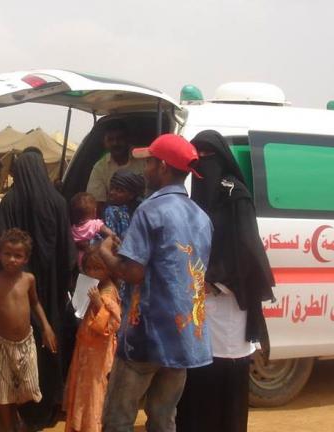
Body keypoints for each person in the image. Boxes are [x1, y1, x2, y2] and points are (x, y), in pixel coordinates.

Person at [99, 134, 213, 432]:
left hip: (148, 335)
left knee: (118, 419)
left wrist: (105, 254)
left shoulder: (150, 210)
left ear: (163, 167)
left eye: (149, 162)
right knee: (164, 418)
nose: (144, 169)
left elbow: (134, 273)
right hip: (184, 337)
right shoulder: (201, 216)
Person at [175, 130, 276, 432]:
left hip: (230, 300)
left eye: (210, 156)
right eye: (198, 157)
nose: (204, 164)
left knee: (225, 379)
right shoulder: (196, 198)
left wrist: (217, 280)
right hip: (198, 302)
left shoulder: (236, 197)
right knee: (197, 378)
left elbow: (247, 249)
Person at [0, 147, 77, 430]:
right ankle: (48, 404)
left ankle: (23, 408)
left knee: (19, 346)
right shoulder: (58, 202)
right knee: (49, 340)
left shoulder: (10, 202)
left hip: (16, 288)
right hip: (51, 290)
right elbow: (68, 254)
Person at [0, 228, 57, 432]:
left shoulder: (29, 279)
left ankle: (16, 413)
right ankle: (9, 426)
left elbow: (35, 303)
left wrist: (46, 327)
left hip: (26, 343)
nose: (12, 259)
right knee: (3, 389)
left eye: (18, 255)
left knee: (27, 386)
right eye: (7, 254)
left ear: (26, 258)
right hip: (1, 344)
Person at [64, 248, 121, 432]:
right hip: (85, 349)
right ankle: (80, 425)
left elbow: (111, 325)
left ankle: (91, 426)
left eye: (97, 268)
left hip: (98, 355)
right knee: (83, 388)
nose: (92, 272)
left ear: (109, 269)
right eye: (88, 268)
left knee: (94, 391)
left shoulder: (108, 292)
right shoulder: (93, 286)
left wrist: (97, 302)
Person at [85, 121, 145, 213]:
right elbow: (97, 203)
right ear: (104, 142)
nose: (115, 143)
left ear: (128, 139)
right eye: (110, 139)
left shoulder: (143, 158)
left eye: (119, 138)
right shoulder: (100, 167)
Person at [70, 192, 114, 270]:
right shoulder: (95, 224)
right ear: (94, 211)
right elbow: (111, 234)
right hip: (94, 263)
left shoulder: (72, 229)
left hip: (78, 263)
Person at [103, 169, 145, 239]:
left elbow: (112, 240)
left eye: (119, 190)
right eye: (111, 188)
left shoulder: (112, 211)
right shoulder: (144, 208)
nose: (112, 192)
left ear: (131, 195)